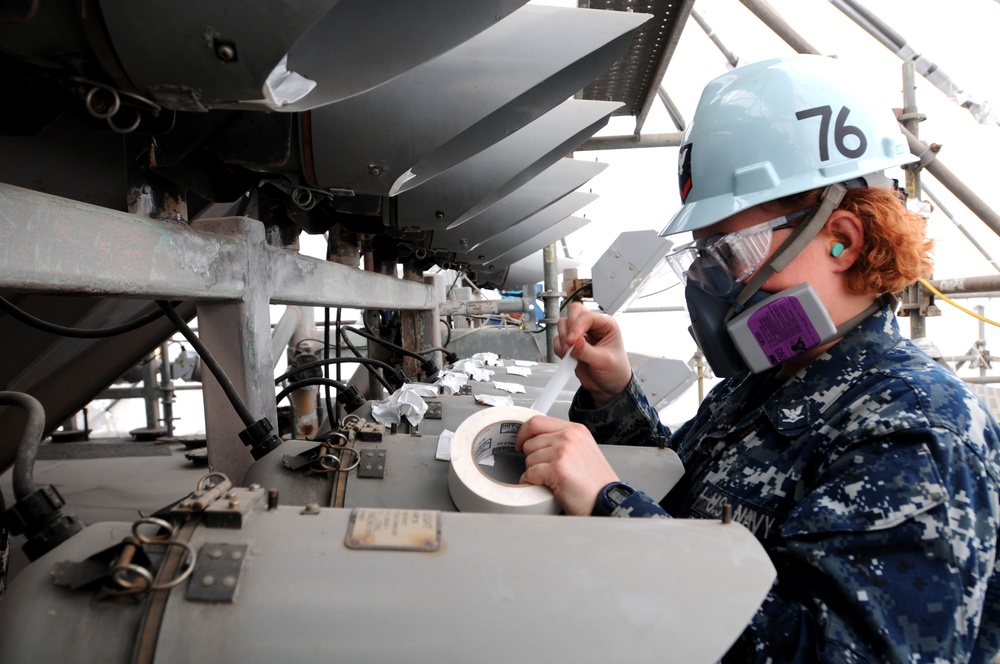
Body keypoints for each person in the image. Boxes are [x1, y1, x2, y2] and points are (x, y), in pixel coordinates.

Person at [515, 54, 1000, 663]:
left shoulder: (916, 428)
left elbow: (833, 651)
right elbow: (680, 500)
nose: (711, 282)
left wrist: (610, 505)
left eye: (729, 251)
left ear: (841, 239)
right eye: (703, 257)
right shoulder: (762, 383)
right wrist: (615, 394)